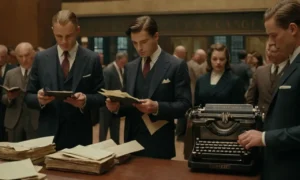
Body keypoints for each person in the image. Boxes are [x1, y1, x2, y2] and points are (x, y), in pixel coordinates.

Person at [106, 16, 191, 159]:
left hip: (160, 144)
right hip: (131, 143)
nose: (139, 48)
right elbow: (129, 104)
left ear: (156, 36)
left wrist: (157, 107)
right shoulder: (131, 67)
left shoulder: (176, 66)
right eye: (134, 43)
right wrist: (116, 108)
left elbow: (185, 106)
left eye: (144, 42)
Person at [25, 10, 105, 150]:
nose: (63, 41)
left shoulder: (92, 59)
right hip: (47, 134)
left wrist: (85, 100)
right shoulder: (41, 58)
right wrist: (39, 99)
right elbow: (28, 96)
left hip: (80, 134)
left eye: (69, 36)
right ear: (52, 31)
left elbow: (102, 96)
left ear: (78, 30)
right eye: (58, 36)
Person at [238, 1, 300, 179]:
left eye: (274, 35)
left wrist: (265, 138)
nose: (270, 43)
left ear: (293, 29)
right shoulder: (292, 63)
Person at [1, 42, 39, 142]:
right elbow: (3, 97)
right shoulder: (10, 74)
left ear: (33, 54)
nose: (24, 60)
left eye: (26, 55)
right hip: (14, 121)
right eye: (20, 56)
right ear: (15, 56)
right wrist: (9, 97)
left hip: (35, 121)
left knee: (35, 153)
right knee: (14, 155)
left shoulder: (40, 72)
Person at [100, 52, 128, 144]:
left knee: (115, 129)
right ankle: (100, 150)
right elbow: (105, 88)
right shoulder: (108, 70)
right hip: (106, 106)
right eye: (123, 62)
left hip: (117, 105)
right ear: (118, 60)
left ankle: (116, 148)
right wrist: (108, 102)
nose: (124, 64)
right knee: (104, 130)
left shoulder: (121, 69)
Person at [0, 45, 16, 141]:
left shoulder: (13, 69)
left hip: (9, 108)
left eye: (2, 57)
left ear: (7, 57)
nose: (0, 59)